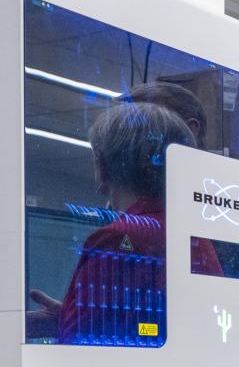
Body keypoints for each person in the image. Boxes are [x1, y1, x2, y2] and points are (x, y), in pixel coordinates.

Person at [25, 100, 216, 344]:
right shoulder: (196, 237)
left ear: (102, 165)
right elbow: (150, 326)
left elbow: (79, 351)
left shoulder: (115, 239)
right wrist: (66, 318)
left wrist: (71, 325)